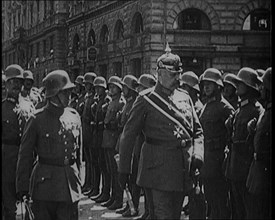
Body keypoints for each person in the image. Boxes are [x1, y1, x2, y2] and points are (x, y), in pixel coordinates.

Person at [118, 43, 204, 219]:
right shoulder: (145, 99)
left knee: (174, 216)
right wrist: (123, 169)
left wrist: (198, 154)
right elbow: (128, 135)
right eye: (173, 75)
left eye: (179, 74)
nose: (178, 79)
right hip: (157, 170)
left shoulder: (185, 97)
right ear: (160, 74)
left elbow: (198, 132)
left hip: (182, 169)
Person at [16, 70, 83, 220]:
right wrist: (23, 188)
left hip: (69, 186)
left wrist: (78, 180)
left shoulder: (74, 116)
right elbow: (25, 155)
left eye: (70, 92)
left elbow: (78, 153)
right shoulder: (36, 119)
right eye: (65, 92)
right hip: (45, 188)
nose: (69, 96)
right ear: (54, 94)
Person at [225, 67, 264, 219]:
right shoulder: (240, 109)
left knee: (248, 210)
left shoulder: (256, 110)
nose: (237, 86)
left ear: (250, 87)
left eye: (241, 83)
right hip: (235, 168)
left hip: (246, 170)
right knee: (237, 210)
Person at [199, 68, 235, 219]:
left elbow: (231, 135)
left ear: (218, 86)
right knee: (211, 199)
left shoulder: (225, 108)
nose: (206, 87)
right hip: (206, 159)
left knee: (221, 201)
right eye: (205, 84)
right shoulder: (206, 106)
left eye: (210, 84)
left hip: (219, 161)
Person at [2, 64, 29, 220]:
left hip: (26, 161)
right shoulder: (3, 108)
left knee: (28, 202)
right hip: (7, 161)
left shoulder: (28, 107)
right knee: (9, 202)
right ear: (6, 84)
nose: (16, 85)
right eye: (12, 82)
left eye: (19, 81)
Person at [246, 67, 271, 219]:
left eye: (264, 86)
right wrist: (253, 131)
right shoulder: (266, 112)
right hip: (258, 175)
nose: (261, 89)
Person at [115, 75, 140, 217]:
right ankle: (129, 204)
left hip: (132, 145)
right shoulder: (128, 103)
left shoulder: (135, 104)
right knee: (127, 177)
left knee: (132, 177)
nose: (123, 89)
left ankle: (134, 205)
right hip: (125, 143)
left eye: (125, 87)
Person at [101, 76, 125, 210]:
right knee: (110, 170)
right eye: (110, 87)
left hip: (114, 139)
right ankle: (113, 196)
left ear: (119, 89)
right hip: (107, 139)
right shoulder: (112, 101)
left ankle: (118, 198)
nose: (110, 89)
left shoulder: (121, 102)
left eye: (113, 87)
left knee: (116, 172)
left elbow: (118, 123)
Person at [91, 76, 111, 204]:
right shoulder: (98, 100)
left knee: (104, 166)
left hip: (103, 134)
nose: (97, 90)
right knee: (98, 163)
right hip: (97, 135)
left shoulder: (107, 100)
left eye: (100, 88)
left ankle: (105, 191)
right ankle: (99, 190)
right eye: (96, 88)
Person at [81, 72, 97, 197]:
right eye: (85, 84)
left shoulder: (94, 98)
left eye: (88, 84)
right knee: (87, 160)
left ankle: (92, 184)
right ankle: (87, 183)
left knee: (92, 160)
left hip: (91, 131)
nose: (86, 86)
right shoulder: (87, 97)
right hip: (85, 130)